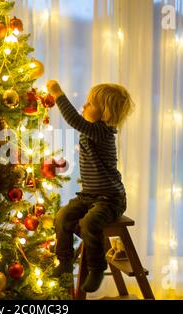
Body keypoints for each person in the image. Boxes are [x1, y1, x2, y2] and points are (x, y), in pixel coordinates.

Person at [46, 80, 134, 293]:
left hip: (110, 199)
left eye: (90, 104)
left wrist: (58, 94)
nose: (84, 107)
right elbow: (80, 122)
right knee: (62, 216)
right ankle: (65, 261)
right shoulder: (92, 131)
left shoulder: (101, 131)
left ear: (105, 113)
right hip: (89, 196)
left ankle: (96, 267)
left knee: (88, 224)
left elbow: (74, 120)